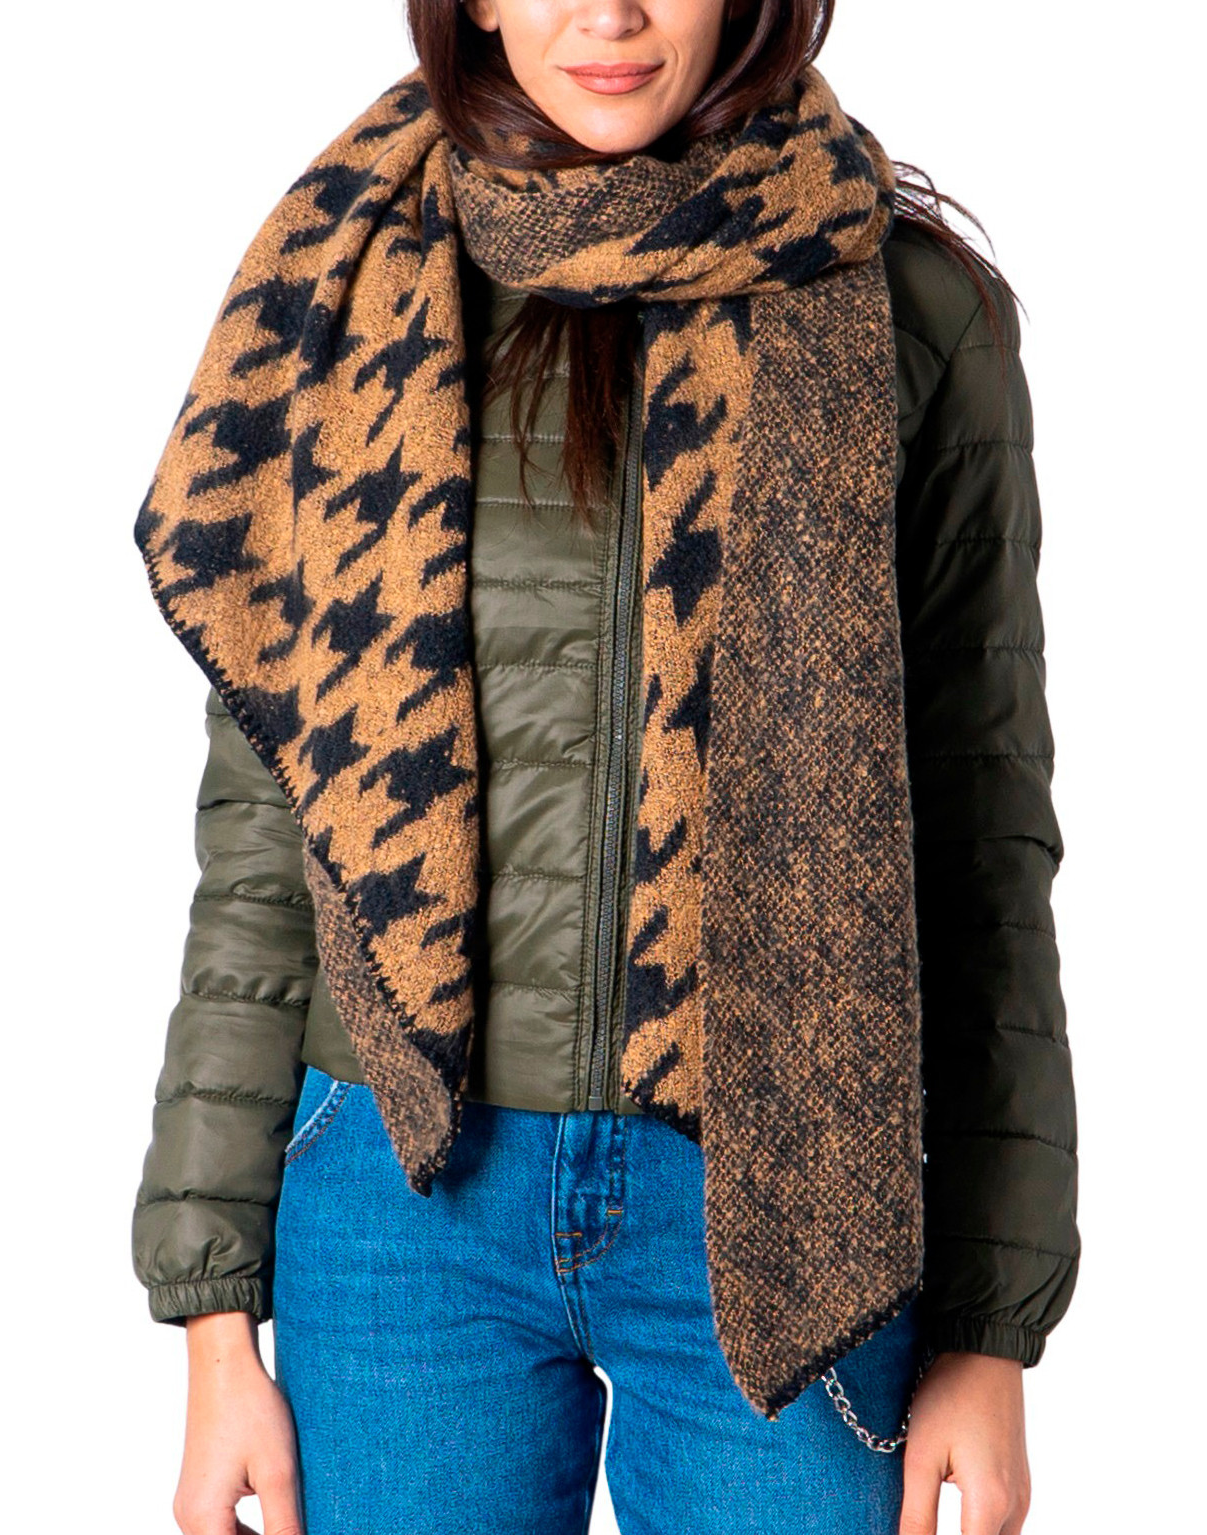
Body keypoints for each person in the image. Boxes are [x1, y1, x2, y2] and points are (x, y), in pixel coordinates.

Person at [129, 1, 1079, 1532]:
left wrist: (988, 1328)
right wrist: (214, 1311)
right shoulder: (351, 281)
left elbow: (982, 836)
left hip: (793, 1196)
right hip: (401, 1196)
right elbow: (266, 831)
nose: (613, 12)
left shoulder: (906, 308)